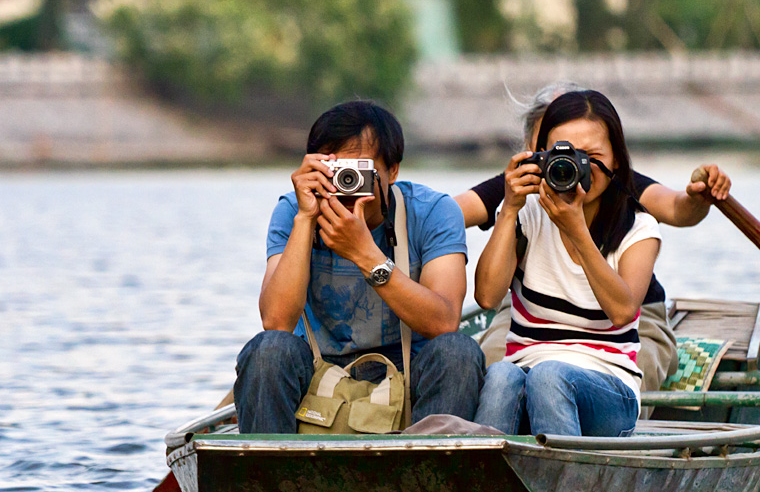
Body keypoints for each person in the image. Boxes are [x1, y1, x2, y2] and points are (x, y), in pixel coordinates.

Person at [453, 83, 731, 396]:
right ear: (534, 144)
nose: (568, 158)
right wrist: (400, 208)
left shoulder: (608, 179)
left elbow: (677, 209)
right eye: (557, 144)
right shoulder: (520, 187)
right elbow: (447, 214)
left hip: (631, 321)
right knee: (492, 373)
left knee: (635, 377)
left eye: (583, 149)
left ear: (611, 155)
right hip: (532, 314)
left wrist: (699, 197)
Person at [233, 100, 484, 433]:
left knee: (459, 352)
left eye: (359, 173)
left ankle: (427, 476)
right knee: (268, 351)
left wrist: (367, 255)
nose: (347, 185)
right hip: (315, 370)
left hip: (408, 370)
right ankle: (269, 478)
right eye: (336, 173)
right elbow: (276, 321)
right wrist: (307, 218)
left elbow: (444, 322)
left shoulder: (433, 211)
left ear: (393, 170)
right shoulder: (295, 210)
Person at [472, 90, 665, 437]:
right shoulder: (527, 214)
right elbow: (487, 296)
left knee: (550, 374)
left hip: (609, 391)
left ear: (617, 159)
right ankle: (487, 483)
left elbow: (622, 310)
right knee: (500, 374)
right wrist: (509, 209)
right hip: (526, 377)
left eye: (590, 156)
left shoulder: (639, 227)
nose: (577, 168)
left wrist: (576, 230)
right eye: (564, 155)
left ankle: (569, 485)